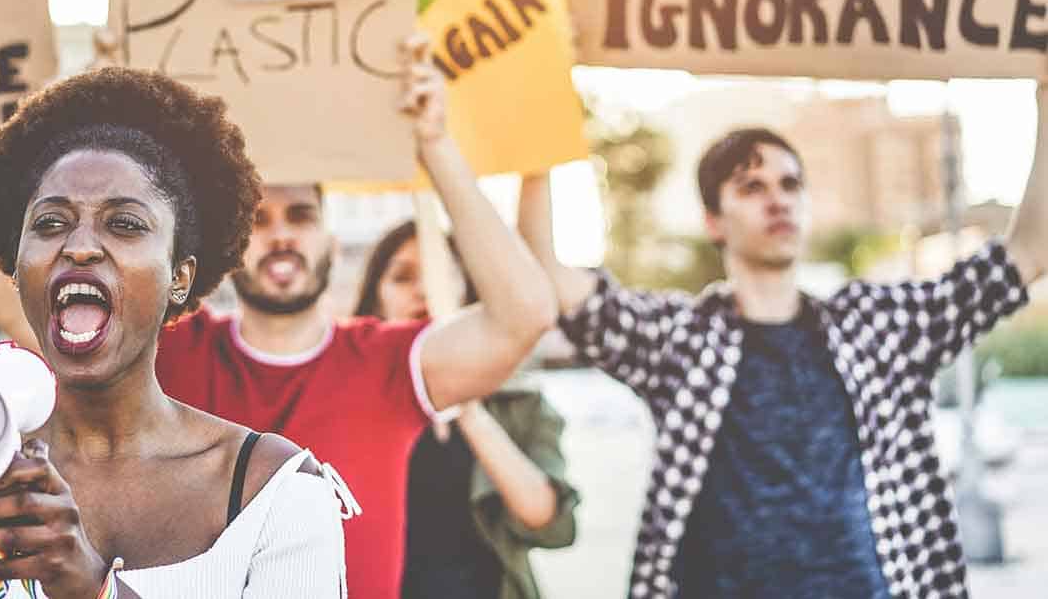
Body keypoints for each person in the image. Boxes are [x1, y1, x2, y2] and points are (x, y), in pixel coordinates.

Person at [525, 83, 1048, 599]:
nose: (777, 200)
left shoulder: (879, 329)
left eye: (790, 184)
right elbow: (545, 274)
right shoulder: (680, 342)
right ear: (713, 221)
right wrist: (539, 108)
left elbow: (1028, 251)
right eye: (751, 187)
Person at [0, 67, 348, 598]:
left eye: (125, 224)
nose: (80, 246)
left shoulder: (276, 493)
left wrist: (92, 588)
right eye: (49, 223)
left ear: (179, 277)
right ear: (17, 266)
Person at [354, 219, 577, 599]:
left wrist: (467, 405)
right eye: (403, 277)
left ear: (468, 294)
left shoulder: (519, 400)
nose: (423, 291)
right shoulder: (348, 401)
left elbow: (550, 523)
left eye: (440, 276)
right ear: (375, 298)